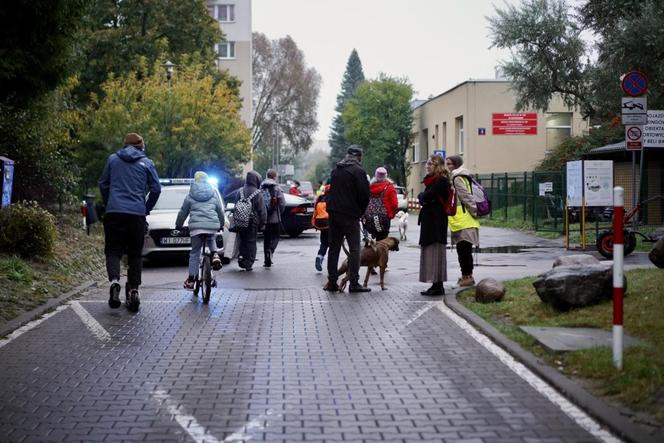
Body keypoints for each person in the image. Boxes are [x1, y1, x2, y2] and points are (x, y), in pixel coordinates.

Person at [99, 132, 161, 310]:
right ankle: (133, 289)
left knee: (113, 251)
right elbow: (156, 189)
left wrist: (109, 202)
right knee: (135, 254)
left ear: (125, 145)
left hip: (114, 213)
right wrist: (146, 208)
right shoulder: (147, 163)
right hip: (136, 215)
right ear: (141, 146)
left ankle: (114, 282)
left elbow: (103, 184)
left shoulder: (112, 160)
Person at [324, 145, 371, 293]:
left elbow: (330, 191)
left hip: (334, 214)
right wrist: (360, 212)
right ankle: (354, 282)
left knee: (334, 248)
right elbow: (364, 196)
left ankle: (332, 282)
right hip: (350, 215)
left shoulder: (336, 170)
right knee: (355, 249)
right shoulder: (358, 171)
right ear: (359, 157)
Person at [175, 171, 224, 289]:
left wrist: (179, 225)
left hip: (196, 228)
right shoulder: (213, 193)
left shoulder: (191, 194)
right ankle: (215, 254)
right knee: (211, 237)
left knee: (195, 252)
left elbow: (183, 212)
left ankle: (191, 279)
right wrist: (221, 224)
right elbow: (220, 211)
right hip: (211, 225)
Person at [418, 155, 450, 296]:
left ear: (437, 166)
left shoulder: (441, 181)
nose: (427, 166)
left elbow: (427, 196)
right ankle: (435, 284)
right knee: (430, 250)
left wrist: (421, 197)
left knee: (435, 250)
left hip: (436, 222)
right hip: (431, 220)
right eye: (427, 163)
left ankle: (438, 285)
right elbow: (426, 197)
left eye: (431, 164)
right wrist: (423, 197)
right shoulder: (433, 181)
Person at [445, 155, 480, 287]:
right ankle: (466, 276)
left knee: (464, 251)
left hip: (463, 220)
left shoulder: (457, 178)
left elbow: (465, 196)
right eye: (447, 164)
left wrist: (474, 211)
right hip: (465, 220)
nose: (447, 167)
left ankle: (467, 277)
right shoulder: (465, 176)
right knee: (464, 250)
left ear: (456, 165)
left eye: (450, 164)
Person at [237, 171, 267, 271]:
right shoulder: (257, 193)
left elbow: (236, 206)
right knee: (251, 241)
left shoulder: (240, 191)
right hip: (252, 222)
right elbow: (262, 210)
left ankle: (241, 257)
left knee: (242, 240)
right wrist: (263, 222)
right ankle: (249, 262)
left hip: (240, 221)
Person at [261, 169, 286, 267]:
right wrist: (279, 211)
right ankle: (270, 251)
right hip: (275, 217)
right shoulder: (277, 188)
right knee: (276, 236)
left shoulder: (261, 186)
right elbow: (282, 203)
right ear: (274, 177)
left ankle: (266, 260)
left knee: (266, 238)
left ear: (267, 175)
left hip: (264, 218)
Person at [366, 167, 398, 241]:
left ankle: (373, 250)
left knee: (374, 237)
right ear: (386, 176)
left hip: (371, 216)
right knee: (383, 240)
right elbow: (394, 204)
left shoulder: (370, 187)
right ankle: (380, 252)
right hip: (384, 217)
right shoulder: (389, 187)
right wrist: (391, 215)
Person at [312, 180, 331, 271]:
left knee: (324, 243)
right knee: (333, 246)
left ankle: (319, 257)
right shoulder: (334, 199)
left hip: (322, 225)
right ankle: (331, 266)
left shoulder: (320, 198)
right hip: (331, 225)